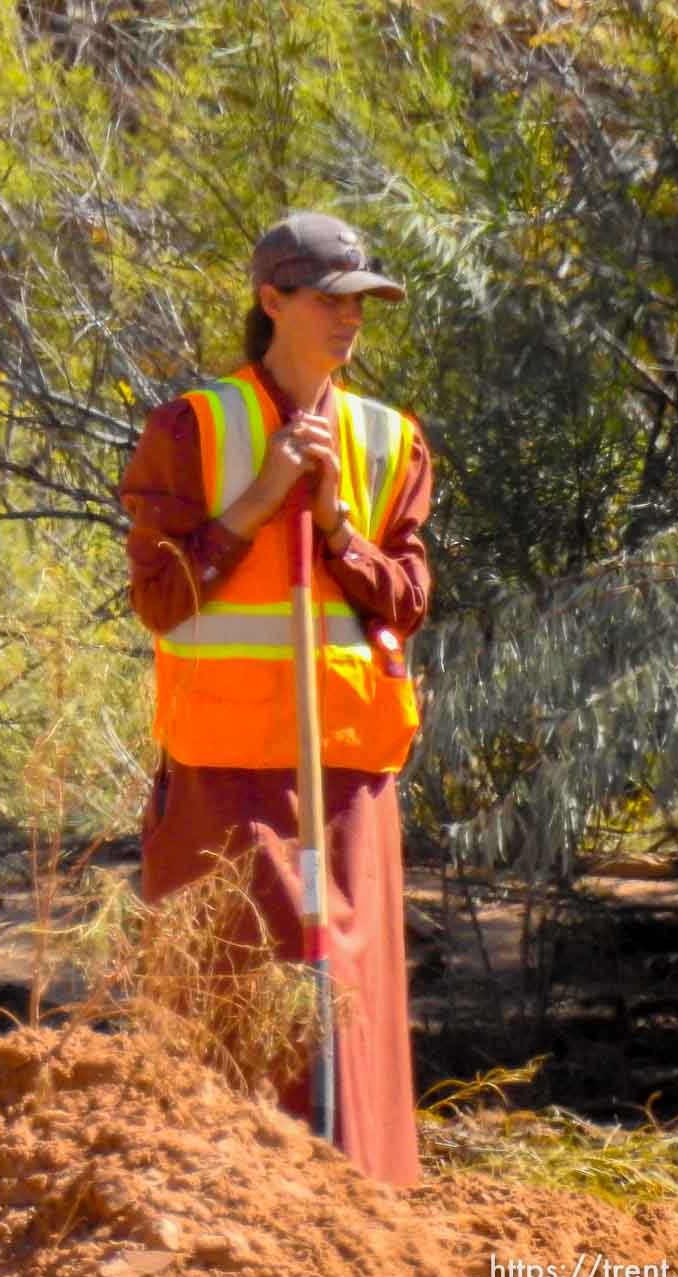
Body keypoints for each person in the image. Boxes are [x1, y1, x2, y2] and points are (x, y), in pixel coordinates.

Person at [118, 211, 433, 1186]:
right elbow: (159, 600)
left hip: (345, 776)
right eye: (328, 300)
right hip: (219, 776)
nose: (349, 320)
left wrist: (336, 525)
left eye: (359, 303)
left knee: (347, 1015)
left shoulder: (386, 441)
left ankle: (356, 1225)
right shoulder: (192, 429)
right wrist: (257, 502)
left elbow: (406, 601)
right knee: (223, 1007)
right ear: (270, 301)